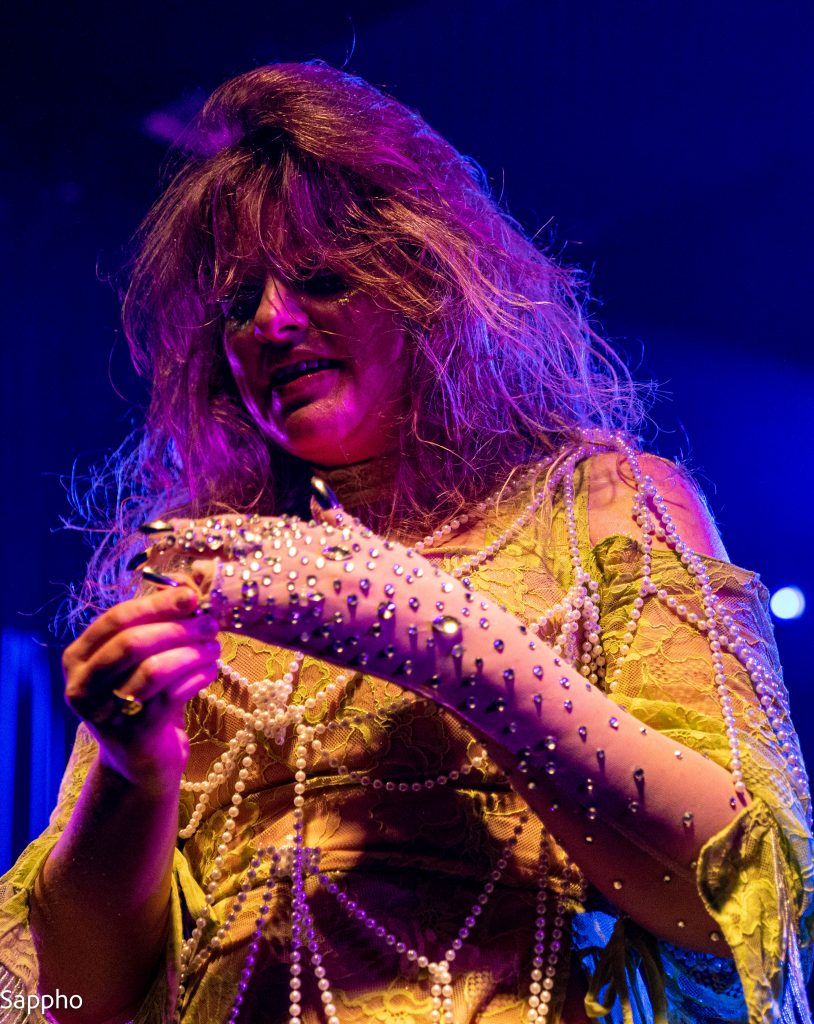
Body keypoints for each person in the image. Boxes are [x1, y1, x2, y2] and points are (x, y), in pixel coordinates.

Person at [0, 61, 810, 1024]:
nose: (271, 322)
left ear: (427, 277)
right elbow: (70, 999)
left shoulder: (602, 503)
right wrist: (133, 772)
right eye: (237, 301)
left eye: (319, 276)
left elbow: (746, 897)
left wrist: (440, 637)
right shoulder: (199, 580)